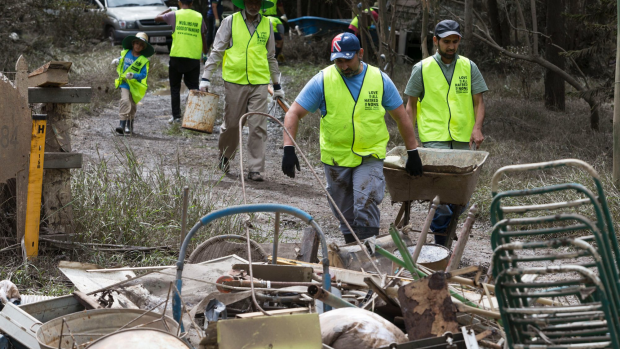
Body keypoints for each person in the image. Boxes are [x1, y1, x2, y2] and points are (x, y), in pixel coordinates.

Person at [281, 33, 422, 243]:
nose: (344, 66)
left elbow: (402, 118)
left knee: (365, 204)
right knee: (345, 215)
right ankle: (353, 253)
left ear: (360, 54)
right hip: (336, 158)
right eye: (339, 61)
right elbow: (293, 113)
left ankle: (369, 255)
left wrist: (413, 152)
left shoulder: (379, 79)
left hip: (370, 155)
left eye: (348, 59)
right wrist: (288, 149)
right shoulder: (323, 80)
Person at [404, 19, 487, 246]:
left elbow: (479, 101)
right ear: (435, 41)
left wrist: (477, 128)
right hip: (434, 138)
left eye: (455, 41)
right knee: (441, 197)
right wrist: (410, 139)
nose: (451, 46)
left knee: (462, 197)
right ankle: (441, 243)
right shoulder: (422, 68)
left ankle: (445, 232)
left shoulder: (469, 67)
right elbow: (410, 106)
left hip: (462, 140)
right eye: (446, 42)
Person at [200, 0, 283, 182]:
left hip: (259, 82)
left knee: (258, 125)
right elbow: (217, 50)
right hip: (234, 81)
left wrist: (276, 85)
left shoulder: (267, 23)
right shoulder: (230, 21)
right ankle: (226, 155)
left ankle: (255, 168)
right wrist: (206, 76)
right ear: (244, 3)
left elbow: (271, 56)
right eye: (250, 1)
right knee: (231, 124)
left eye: (257, 2)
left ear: (261, 4)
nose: (253, 5)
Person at [155, 0, 208, 124]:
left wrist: (169, 9)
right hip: (193, 57)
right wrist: (205, 53)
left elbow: (156, 18)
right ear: (192, 3)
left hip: (177, 56)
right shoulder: (198, 16)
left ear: (179, 2)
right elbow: (203, 36)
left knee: (175, 87)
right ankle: (193, 117)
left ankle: (176, 117)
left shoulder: (174, 15)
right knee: (193, 87)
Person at [112, 32, 154, 135]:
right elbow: (121, 60)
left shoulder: (143, 60)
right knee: (125, 101)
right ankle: (121, 124)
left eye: (140, 45)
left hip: (135, 86)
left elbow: (143, 75)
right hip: (125, 83)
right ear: (133, 43)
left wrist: (134, 75)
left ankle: (129, 126)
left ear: (143, 47)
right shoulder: (125, 53)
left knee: (132, 106)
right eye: (137, 43)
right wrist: (117, 61)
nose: (138, 46)